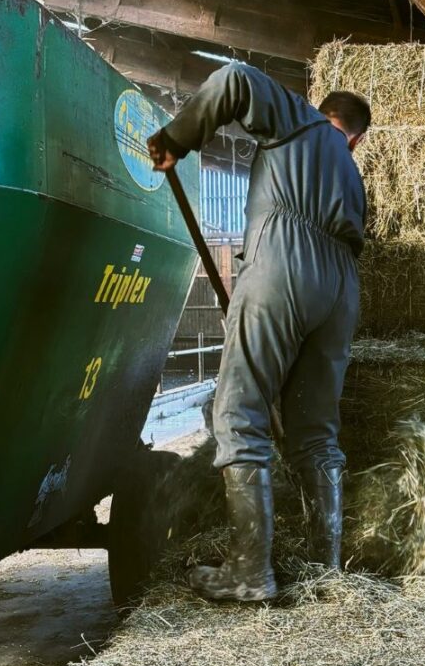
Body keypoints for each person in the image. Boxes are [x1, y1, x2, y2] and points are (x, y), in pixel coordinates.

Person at [147, 62, 370, 602]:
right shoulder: (352, 174)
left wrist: (178, 138)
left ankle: (251, 572)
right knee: (316, 433)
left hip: (283, 263)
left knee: (238, 414)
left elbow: (234, 79)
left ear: (326, 114)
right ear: (358, 138)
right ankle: (327, 569)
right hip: (342, 288)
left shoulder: (303, 121)